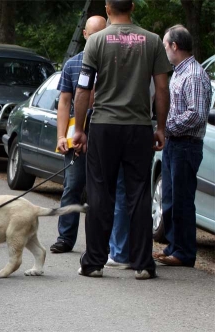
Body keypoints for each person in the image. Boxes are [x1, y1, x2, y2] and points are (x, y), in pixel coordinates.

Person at [72, 0, 171, 280]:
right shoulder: (152, 41)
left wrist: (79, 129)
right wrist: (160, 127)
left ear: (107, 8)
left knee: (100, 192)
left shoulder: (96, 41)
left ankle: (94, 262)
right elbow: (162, 89)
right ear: (133, 7)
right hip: (139, 127)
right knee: (139, 193)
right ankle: (142, 263)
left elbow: (83, 89)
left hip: (104, 125)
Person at [50, 16, 131, 270]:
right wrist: (62, 135)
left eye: (101, 33)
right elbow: (65, 102)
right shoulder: (73, 65)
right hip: (78, 133)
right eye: (92, 34)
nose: (95, 38)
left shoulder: (114, 62)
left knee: (106, 191)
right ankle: (66, 237)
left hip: (106, 133)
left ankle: (106, 244)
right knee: (72, 186)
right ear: (85, 34)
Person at [154, 24, 212, 267]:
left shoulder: (195, 75)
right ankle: (174, 246)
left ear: (174, 46)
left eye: (166, 46)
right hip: (174, 144)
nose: (165, 51)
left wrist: (167, 126)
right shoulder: (178, 71)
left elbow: (196, 115)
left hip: (186, 145)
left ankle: (185, 252)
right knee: (169, 198)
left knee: (182, 199)